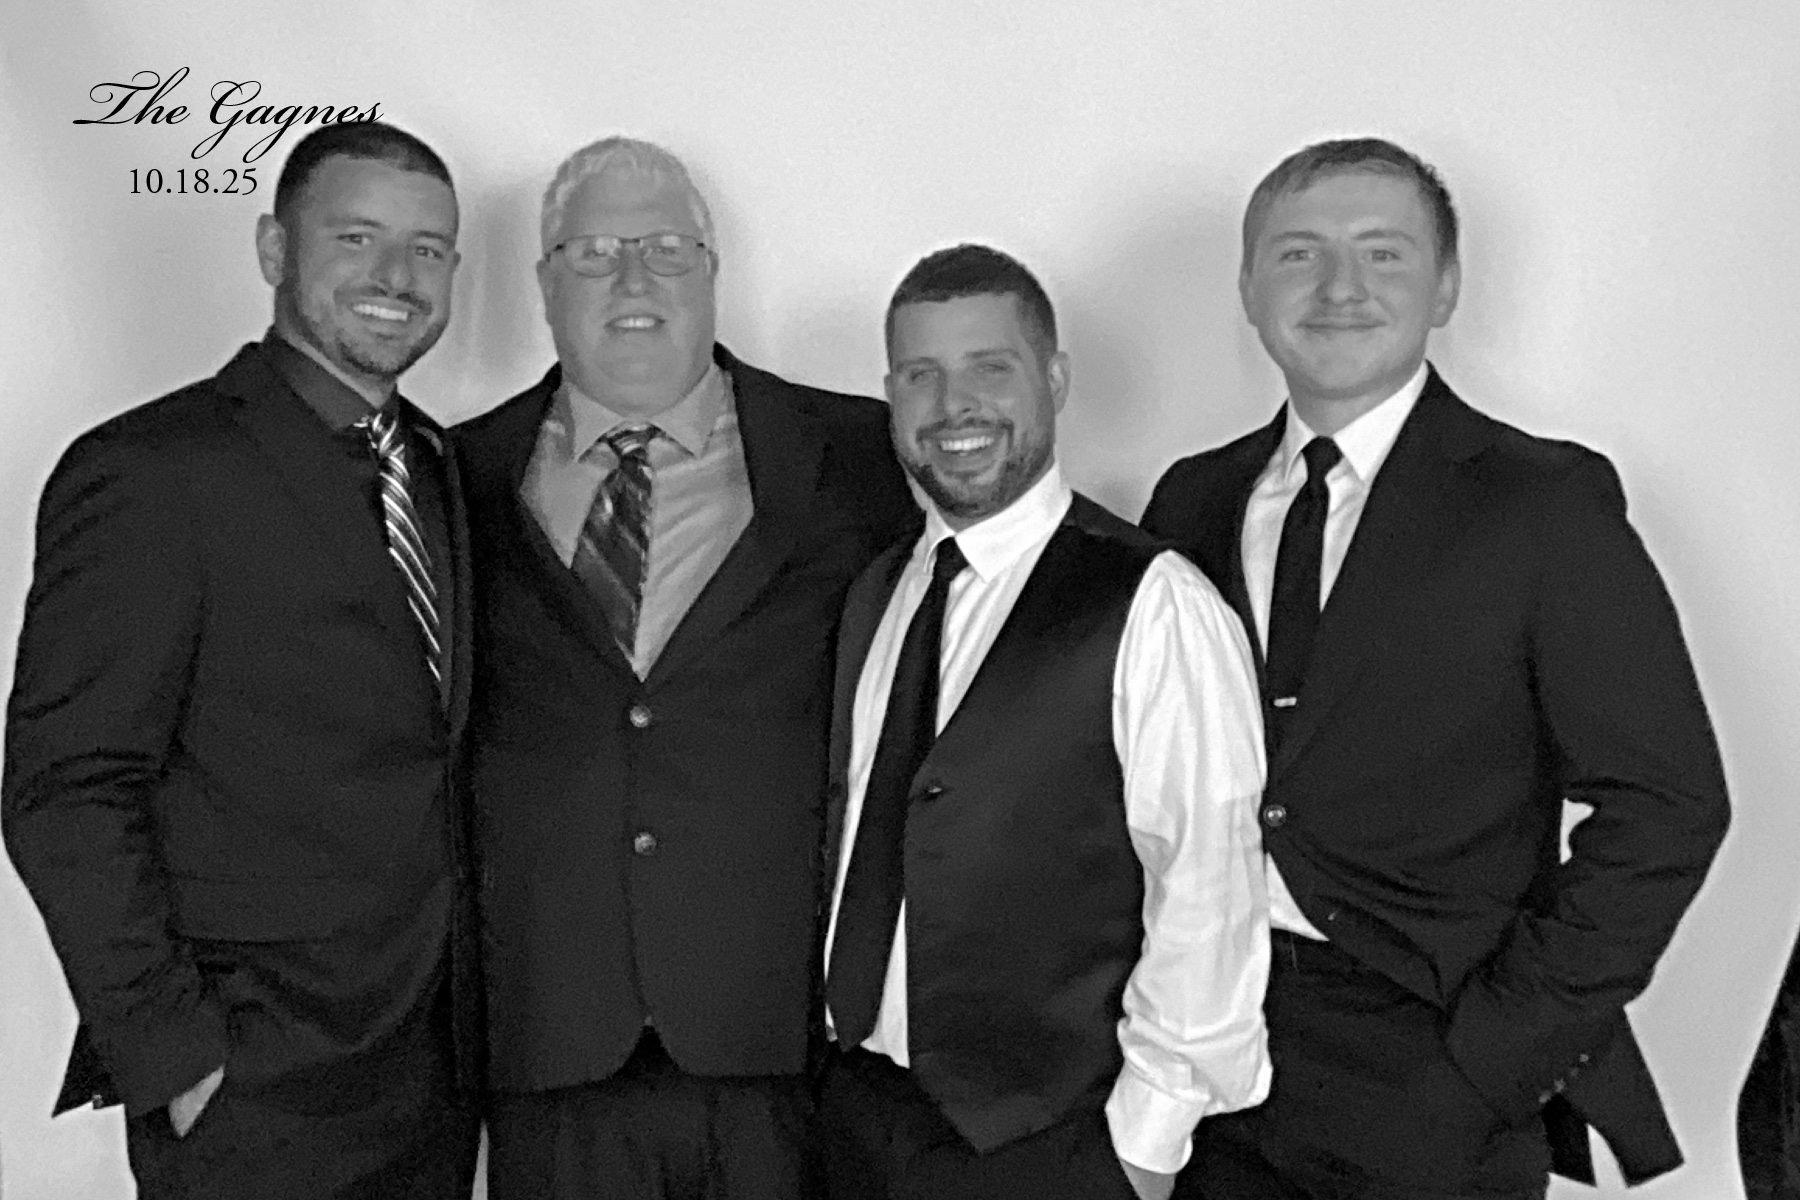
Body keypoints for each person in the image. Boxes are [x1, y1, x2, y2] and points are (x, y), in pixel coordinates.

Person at [1141, 137, 1731, 1200]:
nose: (1339, 287)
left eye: (1384, 253)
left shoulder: (1543, 504)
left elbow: (1668, 805)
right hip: (1205, 1048)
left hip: (1428, 1061)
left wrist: (1492, 1061)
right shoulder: (1192, 500)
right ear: (1248, 287)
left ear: (1446, 287)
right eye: (1298, 254)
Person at [2, 120, 480, 1198]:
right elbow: (67, 787)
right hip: (254, 1086)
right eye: (355, 238)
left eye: (429, 249)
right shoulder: (150, 473)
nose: (396, 277)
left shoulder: (439, 465)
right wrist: (175, 1056)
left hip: (430, 1079)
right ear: (274, 250)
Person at [457, 136, 916, 1200]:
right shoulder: (456, 475)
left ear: (712, 270)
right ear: (543, 283)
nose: (633, 279)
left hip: (786, 1040)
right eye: (594, 253)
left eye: (665, 248)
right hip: (550, 1046)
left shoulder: (862, 455)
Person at [818, 243, 1272, 1200]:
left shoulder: (1154, 601)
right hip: (856, 1119)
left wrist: (1143, 1147)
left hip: (1052, 1140)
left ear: (1055, 380)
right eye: (920, 375)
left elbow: (1208, 885)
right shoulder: (878, 592)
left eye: (991, 367)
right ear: (890, 396)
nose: (955, 406)